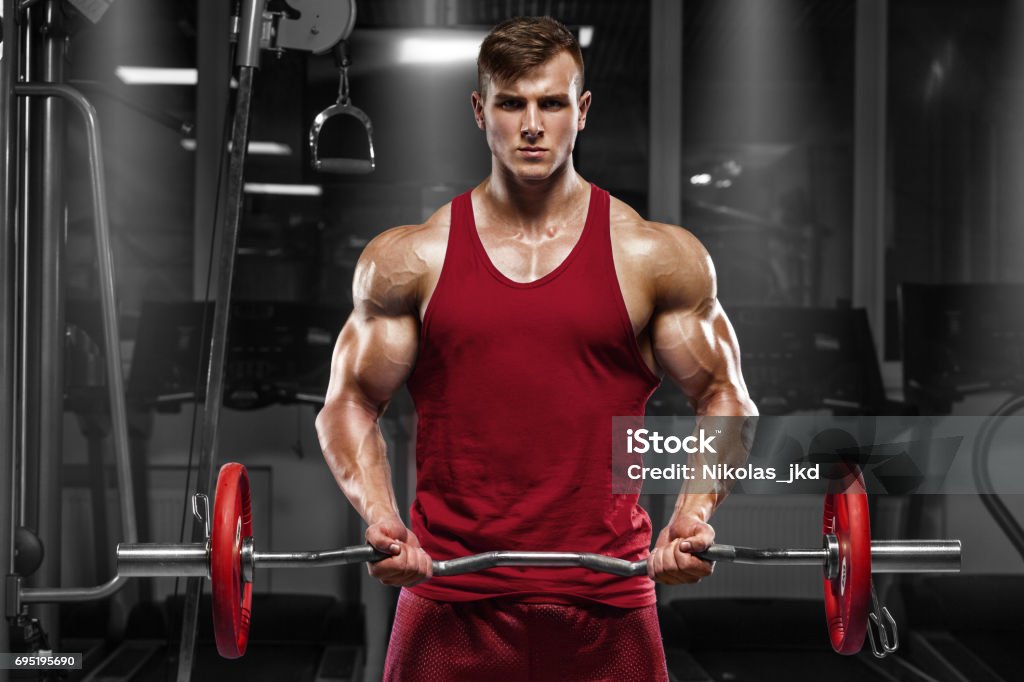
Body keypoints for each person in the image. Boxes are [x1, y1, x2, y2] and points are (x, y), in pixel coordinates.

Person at [315, 16, 757, 681]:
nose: (531, 124)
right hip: (449, 597)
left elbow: (724, 394)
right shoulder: (411, 260)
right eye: (511, 103)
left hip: (607, 606)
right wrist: (383, 520)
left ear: (580, 111)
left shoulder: (655, 257)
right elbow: (348, 401)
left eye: (550, 103)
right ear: (479, 111)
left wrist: (690, 517)